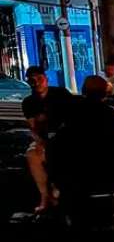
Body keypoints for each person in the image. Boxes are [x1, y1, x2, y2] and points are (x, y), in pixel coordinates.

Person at [48, 76, 114, 204]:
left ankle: (52, 194)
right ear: (105, 93)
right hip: (105, 170)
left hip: (71, 171)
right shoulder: (113, 116)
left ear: (83, 90)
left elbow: (56, 139)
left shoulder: (69, 111)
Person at [21, 66, 74, 212]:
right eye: (32, 80)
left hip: (65, 138)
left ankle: (58, 189)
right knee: (32, 154)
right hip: (44, 139)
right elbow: (33, 127)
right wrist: (40, 142)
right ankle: (45, 196)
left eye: (40, 79)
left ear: (46, 79)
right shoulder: (29, 102)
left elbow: (73, 119)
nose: (37, 83)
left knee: (56, 152)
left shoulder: (61, 94)